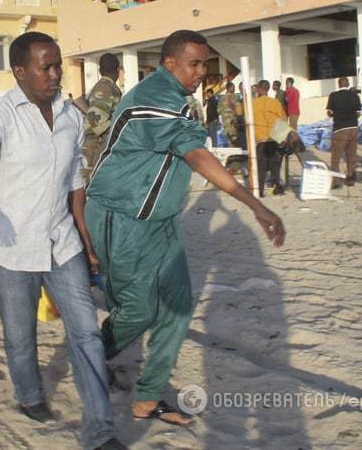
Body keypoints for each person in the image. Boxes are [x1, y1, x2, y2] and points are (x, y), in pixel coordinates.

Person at [85, 30, 285, 427]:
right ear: (169, 62)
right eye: (194, 64)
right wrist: (256, 206)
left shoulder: (180, 99)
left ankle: (146, 399)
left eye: (204, 65)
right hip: (122, 216)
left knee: (176, 306)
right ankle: (88, 356)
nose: (201, 72)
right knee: (138, 310)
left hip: (160, 219)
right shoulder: (153, 97)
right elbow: (195, 154)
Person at [0, 32, 122, 450]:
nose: (55, 74)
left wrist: (87, 243)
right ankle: (29, 394)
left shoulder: (72, 117)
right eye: (46, 67)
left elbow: (74, 184)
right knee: (20, 336)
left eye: (57, 65)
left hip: (61, 243)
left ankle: (100, 431)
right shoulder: (1, 115)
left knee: (87, 332)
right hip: (11, 247)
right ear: (20, 71)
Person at [82, 53, 122, 181]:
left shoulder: (101, 87)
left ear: (100, 70)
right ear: (118, 70)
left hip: (94, 146)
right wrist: (119, 128)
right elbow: (96, 122)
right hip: (96, 147)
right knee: (92, 185)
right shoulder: (107, 88)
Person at [253, 80, 288, 196]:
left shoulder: (253, 104)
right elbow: (282, 119)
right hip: (273, 138)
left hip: (260, 139)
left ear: (259, 89)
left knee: (261, 166)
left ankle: (260, 190)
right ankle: (276, 188)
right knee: (274, 165)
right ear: (267, 89)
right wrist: (282, 138)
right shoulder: (275, 103)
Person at [326, 77, 361, 188]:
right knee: (351, 155)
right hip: (353, 128)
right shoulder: (355, 95)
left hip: (340, 128)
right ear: (348, 83)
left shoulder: (333, 95)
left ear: (339, 84)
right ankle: (351, 179)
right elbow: (358, 113)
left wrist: (335, 114)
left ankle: (336, 182)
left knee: (336, 157)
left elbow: (330, 112)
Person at [218, 82, 239, 146]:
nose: (234, 89)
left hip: (225, 123)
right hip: (234, 122)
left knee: (228, 140)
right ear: (230, 88)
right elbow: (239, 110)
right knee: (235, 140)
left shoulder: (221, 98)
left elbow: (218, 110)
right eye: (233, 87)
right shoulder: (235, 97)